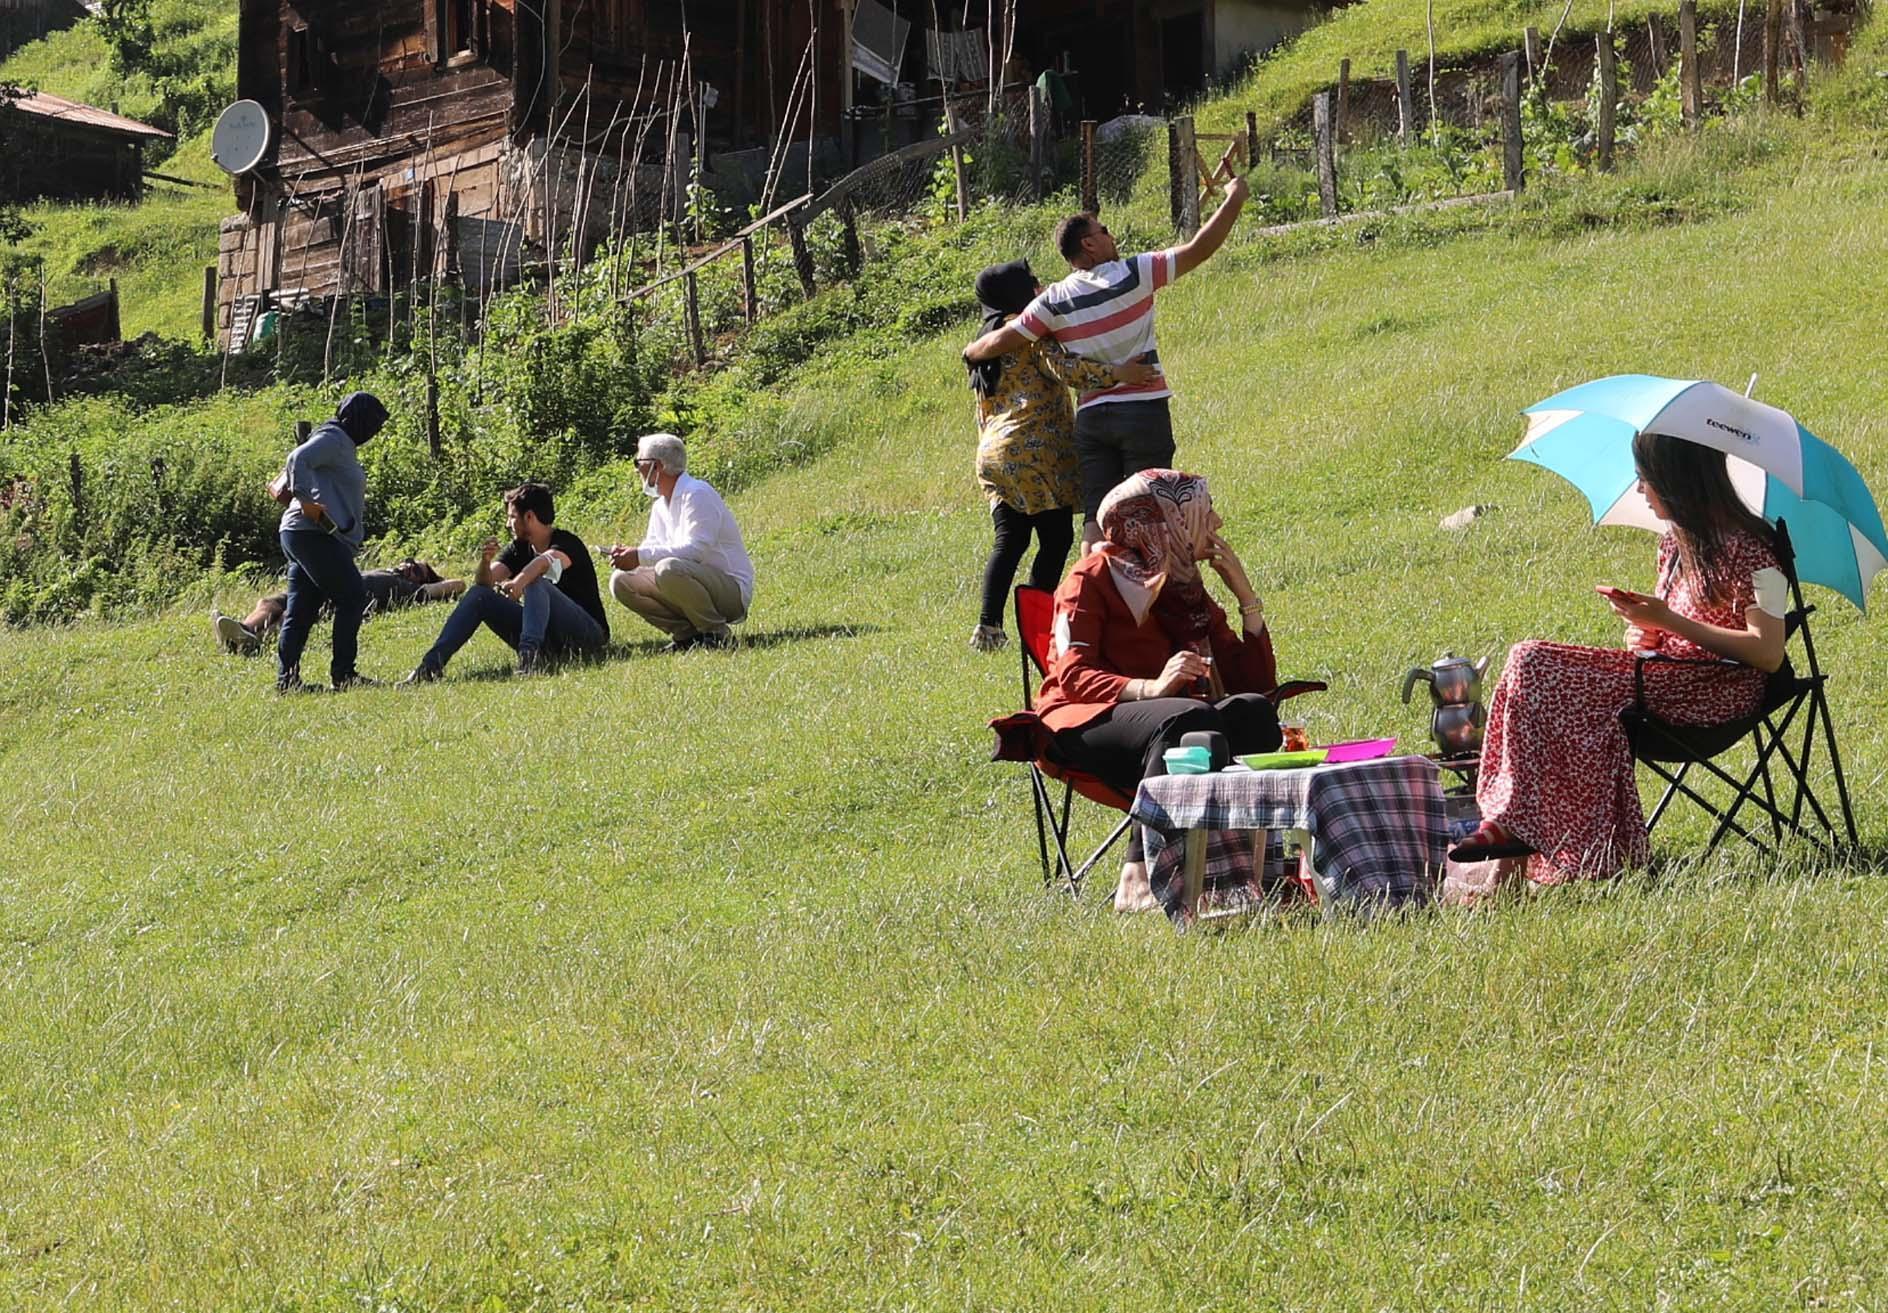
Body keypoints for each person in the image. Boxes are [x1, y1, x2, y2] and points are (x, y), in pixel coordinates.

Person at [1450, 432, 1788, 886]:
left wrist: (1670, 621)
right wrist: (1646, 630)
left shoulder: (1754, 550)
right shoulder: (1676, 544)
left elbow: (1767, 653)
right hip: (1663, 677)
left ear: (1678, 480)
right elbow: (1670, 629)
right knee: (1528, 665)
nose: (1640, 491)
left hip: (1714, 693)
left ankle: (1520, 833)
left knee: (1533, 662)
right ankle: (1512, 837)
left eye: (1646, 479)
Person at [1034, 469, 1285, 910]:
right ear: (1166, 523)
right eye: (1204, 514)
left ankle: (1254, 871)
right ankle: (1138, 876)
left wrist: (1247, 598)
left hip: (1170, 720)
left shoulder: (1184, 588)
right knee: (1186, 716)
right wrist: (1150, 688)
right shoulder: (1090, 577)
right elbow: (1071, 676)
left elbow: (1257, 686)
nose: (1219, 522)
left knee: (1252, 712)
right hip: (1081, 723)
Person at [961, 175, 1250, 548]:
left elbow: (1005, 338)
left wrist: (971, 351)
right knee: (1149, 509)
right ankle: (1148, 596)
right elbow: (1199, 249)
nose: (1111, 235)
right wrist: (1235, 199)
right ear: (1090, 243)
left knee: (1096, 517)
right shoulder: (1134, 273)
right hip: (1142, 411)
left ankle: (1090, 597)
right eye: (1104, 230)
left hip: (1093, 420)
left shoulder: (1053, 301)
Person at [964, 259, 1155, 652]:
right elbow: (1064, 367)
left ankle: (989, 627)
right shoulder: (1026, 328)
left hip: (993, 453)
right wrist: (1119, 373)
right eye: (1031, 281)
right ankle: (1037, 621)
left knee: (1010, 539)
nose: (1039, 286)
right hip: (1034, 449)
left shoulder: (985, 339)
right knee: (1055, 538)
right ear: (1017, 291)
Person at [402, 482, 609, 681]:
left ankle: (529, 659)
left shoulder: (566, 543)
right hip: (549, 641)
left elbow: (544, 564)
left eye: (511, 517)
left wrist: (520, 581)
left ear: (529, 517)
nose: (507, 524)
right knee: (478, 596)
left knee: (535, 581)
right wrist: (485, 562)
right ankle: (430, 666)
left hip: (587, 636)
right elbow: (485, 583)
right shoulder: (519, 548)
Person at [269, 391, 389, 692]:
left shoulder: (339, 443)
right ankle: (343, 673)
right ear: (357, 419)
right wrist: (308, 502)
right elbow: (297, 459)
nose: (374, 432)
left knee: (302, 608)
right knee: (352, 596)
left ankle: (288, 681)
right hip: (313, 535)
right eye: (372, 424)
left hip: (300, 534)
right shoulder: (335, 439)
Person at [606, 433, 754, 652]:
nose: (637, 469)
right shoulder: (659, 506)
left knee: (668, 568)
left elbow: (696, 551)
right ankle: (687, 635)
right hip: (689, 583)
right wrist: (629, 557)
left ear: (657, 467)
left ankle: (717, 633)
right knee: (621, 581)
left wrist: (639, 555)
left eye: (639, 463)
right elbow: (651, 550)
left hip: (730, 592)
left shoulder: (697, 494)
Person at [212, 560, 465, 655]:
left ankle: (250, 642)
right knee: (269, 602)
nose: (409, 566)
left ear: (419, 581)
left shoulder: (406, 589)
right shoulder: (384, 570)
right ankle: (245, 629)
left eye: (417, 570)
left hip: (337, 597)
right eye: (411, 562)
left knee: (294, 612)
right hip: (324, 584)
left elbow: (458, 585)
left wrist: (438, 582)